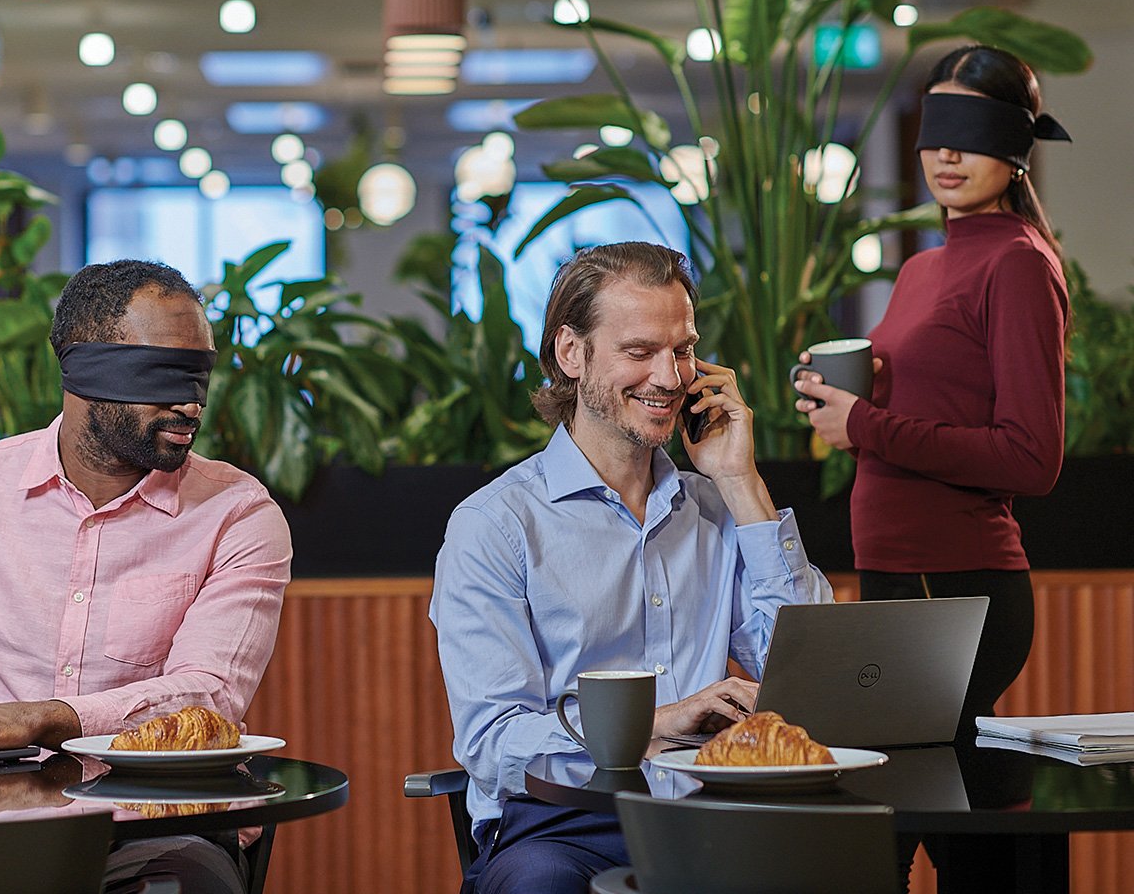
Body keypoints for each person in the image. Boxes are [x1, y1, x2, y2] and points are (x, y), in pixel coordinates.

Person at [0, 259, 292, 890]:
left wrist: (46, 716)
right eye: (163, 375)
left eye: (200, 376)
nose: (190, 403)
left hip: (161, 824)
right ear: (84, 370)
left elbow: (208, 694)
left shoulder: (238, 514)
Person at [433, 242, 834, 894]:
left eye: (682, 351)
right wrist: (654, 723)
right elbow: (493, 741)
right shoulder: (495, 525)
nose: (671, 379)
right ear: (572, 353)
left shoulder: (718, 508)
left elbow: (815, 679)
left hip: (720, 811)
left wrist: (741, 482)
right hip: (564, 824)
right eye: (640, 352)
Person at [794, 44, 1071, 733]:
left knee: (920, 814)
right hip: (890, 568)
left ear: (1016, 146)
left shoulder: (1017, 264)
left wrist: (865, 425)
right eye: (936, 132)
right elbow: (929, 407)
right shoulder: (923, 269)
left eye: (971, 133)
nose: (947, 154)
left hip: (955, 579)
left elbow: (1032, 458)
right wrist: (860, 393)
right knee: (930, 813)